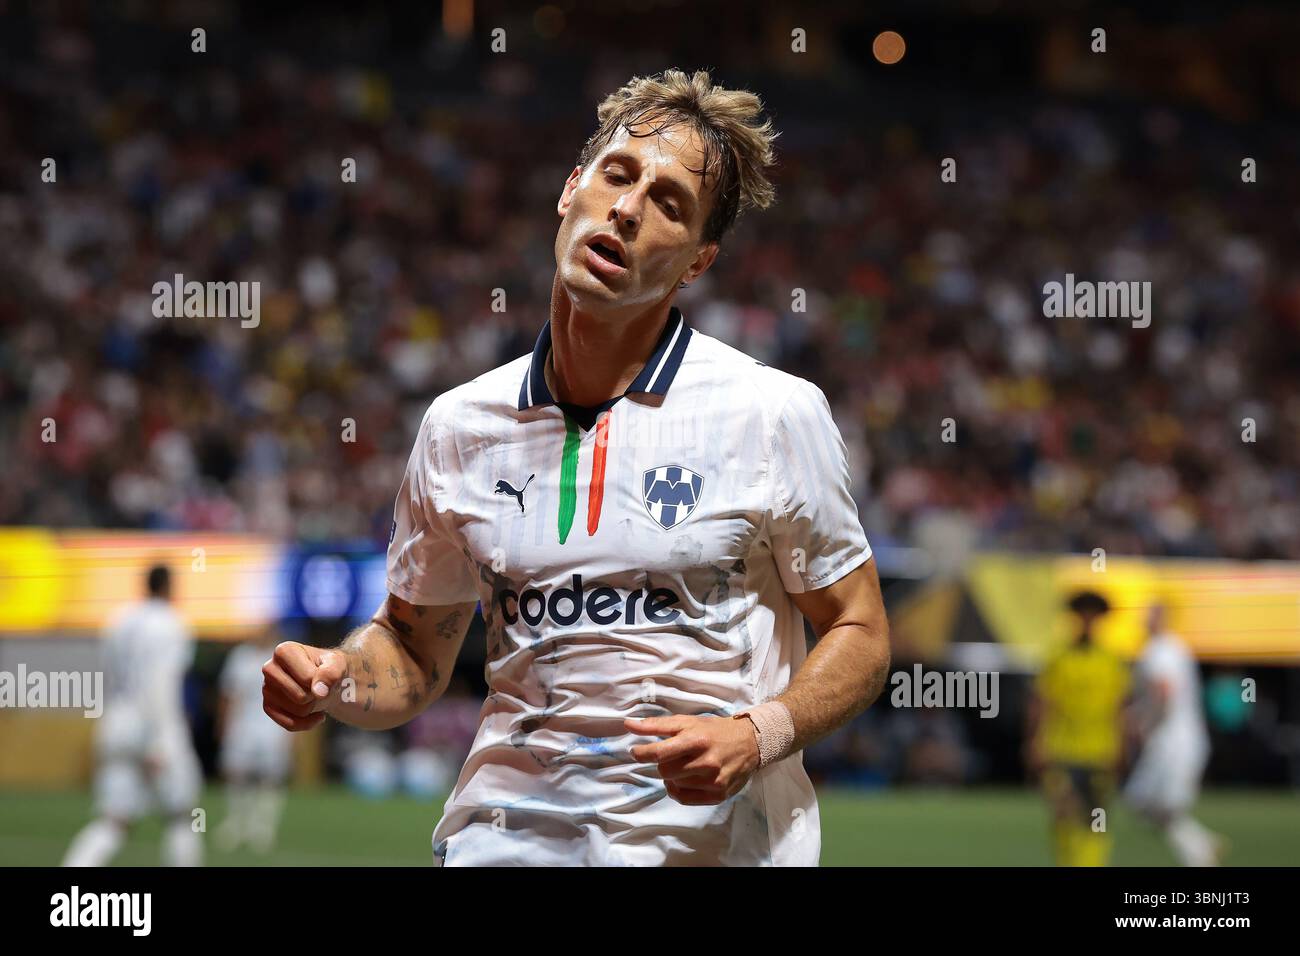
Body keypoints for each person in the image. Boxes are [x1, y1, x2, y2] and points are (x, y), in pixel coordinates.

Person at [262, 69, 891, 866]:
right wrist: (337, 676)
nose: (628, 209)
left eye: (669, 204)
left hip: (708, 847)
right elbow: (415, 653)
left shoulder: (772, 413)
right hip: (502, 841)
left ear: (697, 261)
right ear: (571, 191)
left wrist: (754, 735)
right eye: (617, 176)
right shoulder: (460, 426)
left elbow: (862, 632)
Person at [63, 564, 203, 867]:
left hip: (117, 724)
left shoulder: (119, 620)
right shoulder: (170, 624)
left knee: (114, 820)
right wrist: (159, 742)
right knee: (183, 816)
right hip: (154, 727)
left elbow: (111, 678)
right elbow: (160, 685)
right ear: (168, 586)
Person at [1027, 590, 1129, 867]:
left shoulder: (1111, 660)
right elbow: (1041, 702)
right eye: (1082, 615)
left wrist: (1122, 746)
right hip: (1062, 749)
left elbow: (1119, 709)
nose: (1087, 621)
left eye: (1092, 616)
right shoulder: (1058, 656)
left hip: (1099, 751)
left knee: (1095, 819)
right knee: (1064, 815)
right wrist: (1035, 743)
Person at [1125, 604, 1225, 866]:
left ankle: (1199, 851)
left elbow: (1164, 690)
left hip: (1171, 743)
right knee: (1147, 803)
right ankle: (1200, 845)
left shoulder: (1159, 651)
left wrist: (1142, 721)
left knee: (1151, 803)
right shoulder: (1176, 647)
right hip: (1181, 740)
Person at [215, 624, 294, 854]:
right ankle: (236, 822)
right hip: (243, 726)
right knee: (237, 774)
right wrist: (224, 726)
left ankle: (263, 828)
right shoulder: (240, 657)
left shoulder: (283, 657)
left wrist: (290, 732)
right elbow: (229, 694)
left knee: (270, 779)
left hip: (272, 726)